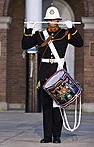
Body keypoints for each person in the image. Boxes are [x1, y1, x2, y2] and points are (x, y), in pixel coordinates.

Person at [21, 5, 83, 143]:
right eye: (50, 19)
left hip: (59, 72)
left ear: (59, 20)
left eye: (55, 19)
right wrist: (28, 30)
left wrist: (72, 29)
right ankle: (47, 136)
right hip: (44, 72)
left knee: (58, 106)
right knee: (47, 106)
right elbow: (25, 45)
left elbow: (79, 43)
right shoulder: (39, 35)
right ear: (47, 20)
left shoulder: (65, 34)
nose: (53, 21)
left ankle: (57, 136)